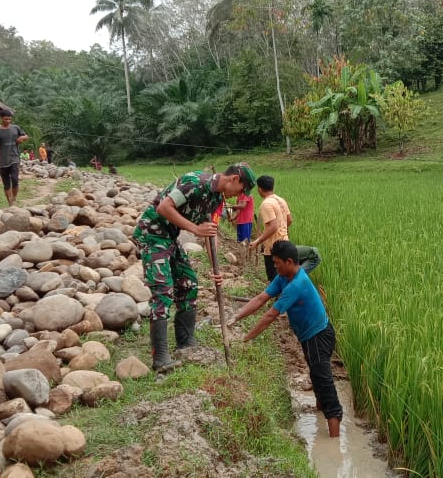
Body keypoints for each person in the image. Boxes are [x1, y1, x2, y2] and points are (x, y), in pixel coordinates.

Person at [132, 163, 257, 373]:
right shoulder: (195, 183)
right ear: (234, 179)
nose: (240, 195)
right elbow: (164, 207)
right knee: (163, 290)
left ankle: (185, 342)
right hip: (152, 234)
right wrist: (194, 228)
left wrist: (216, 270)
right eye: (242, 189)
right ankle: (160, 358)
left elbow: (210, 233)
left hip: (169, 237)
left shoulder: (217, 198)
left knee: (189, 282)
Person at [228, 240, 342, 437]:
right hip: (310, 336)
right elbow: (260, 299)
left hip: (318, 337)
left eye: (277, 263)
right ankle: (319, 416)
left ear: (289, 262)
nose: (275, 266)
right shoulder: (284, 278)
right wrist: (236, 317)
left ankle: (333, 444)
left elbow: (270, 315)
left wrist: (246, 338)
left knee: (325, 386)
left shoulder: (296, 285)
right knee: (316, 377)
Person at [250, 175, 293, 281]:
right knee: (284, 277)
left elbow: (273, 226)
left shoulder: (266, 204)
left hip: (273, 248)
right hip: (285, 244)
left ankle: (278, 297)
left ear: (260, 189)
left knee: (274, 279)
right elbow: (289, 220)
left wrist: (257, 242)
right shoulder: (281, 200)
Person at [0, 109, 29, 206]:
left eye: (9, 119)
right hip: (3, 160)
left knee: (15, 179)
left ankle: (14, 198)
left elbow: (26, 136)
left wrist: (21, 138)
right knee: (6, 183)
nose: (8, 121)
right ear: (1, 118)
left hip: (14, 158)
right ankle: (10, 202)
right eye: (6, 119)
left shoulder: (16, 128)